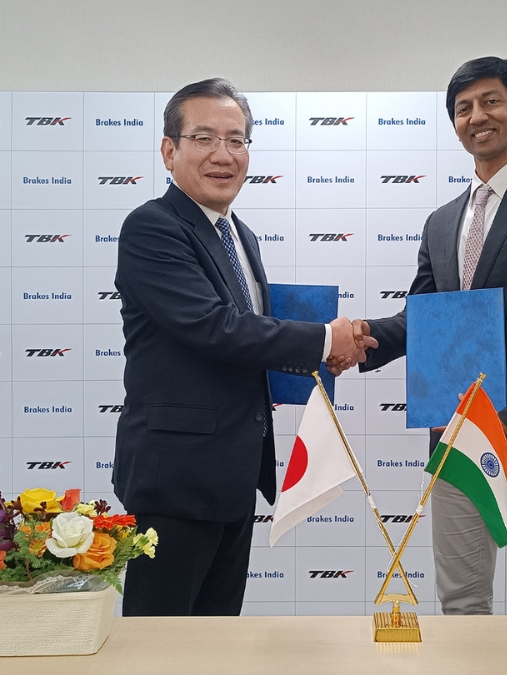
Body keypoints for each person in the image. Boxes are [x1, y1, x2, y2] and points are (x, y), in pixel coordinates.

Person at [334, 57, 507, 614]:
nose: (477, 116)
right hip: (455, 438)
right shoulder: (441, 221)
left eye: (491, 101)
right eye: (463, 109)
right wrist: (359, 337)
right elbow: (424, 318)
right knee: (460, 603)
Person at [113, 78, 373, 616]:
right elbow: (217, 328)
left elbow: (251, 334)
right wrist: (328, 338)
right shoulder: (152, 227)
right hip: (176, 481)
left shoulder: (240, 234)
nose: (223, 154)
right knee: (161, 641)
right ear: (169, 150)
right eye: (204, 138)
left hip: (233, 476)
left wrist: (329, 350)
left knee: (217, 639)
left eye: (236, 140)